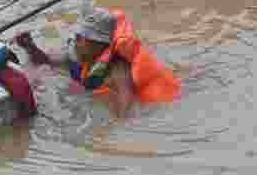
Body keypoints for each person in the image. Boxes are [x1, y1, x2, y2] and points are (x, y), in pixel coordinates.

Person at [14, 7, 181, 118]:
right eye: (78, 36)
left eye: (83, 38)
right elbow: (46, 61)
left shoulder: (118, 70)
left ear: (101, 44)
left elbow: (126, 113)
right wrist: (30, 47)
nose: (76, 41)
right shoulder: (77, 52)